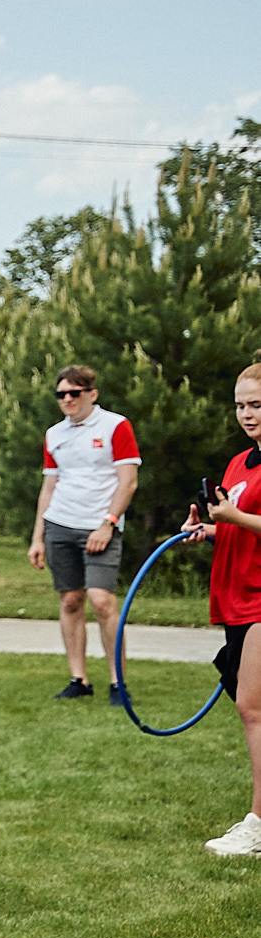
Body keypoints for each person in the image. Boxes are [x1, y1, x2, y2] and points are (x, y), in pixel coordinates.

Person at [28, 364, 140, 699]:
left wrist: (107, 523)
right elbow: (48, 488)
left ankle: (118, 682)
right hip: (60, 524)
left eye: (74, 393)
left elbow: (129, 482)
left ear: (92, 394)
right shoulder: (54, 434)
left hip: (100, 526)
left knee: (101, 601)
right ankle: (79, 680)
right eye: (61, 394)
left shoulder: (115, 426)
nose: (67, 399)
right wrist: (38, 537)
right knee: (71, 600)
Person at [185, 365, 261, 856]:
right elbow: (241, 526)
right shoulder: (239, 464)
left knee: (252, 708)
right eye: (241, 405)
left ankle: (258, 826)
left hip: (260, 599)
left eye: (257, 404)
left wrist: (232, 516)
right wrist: (211, 528)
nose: (248, 414)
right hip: (235, 597)